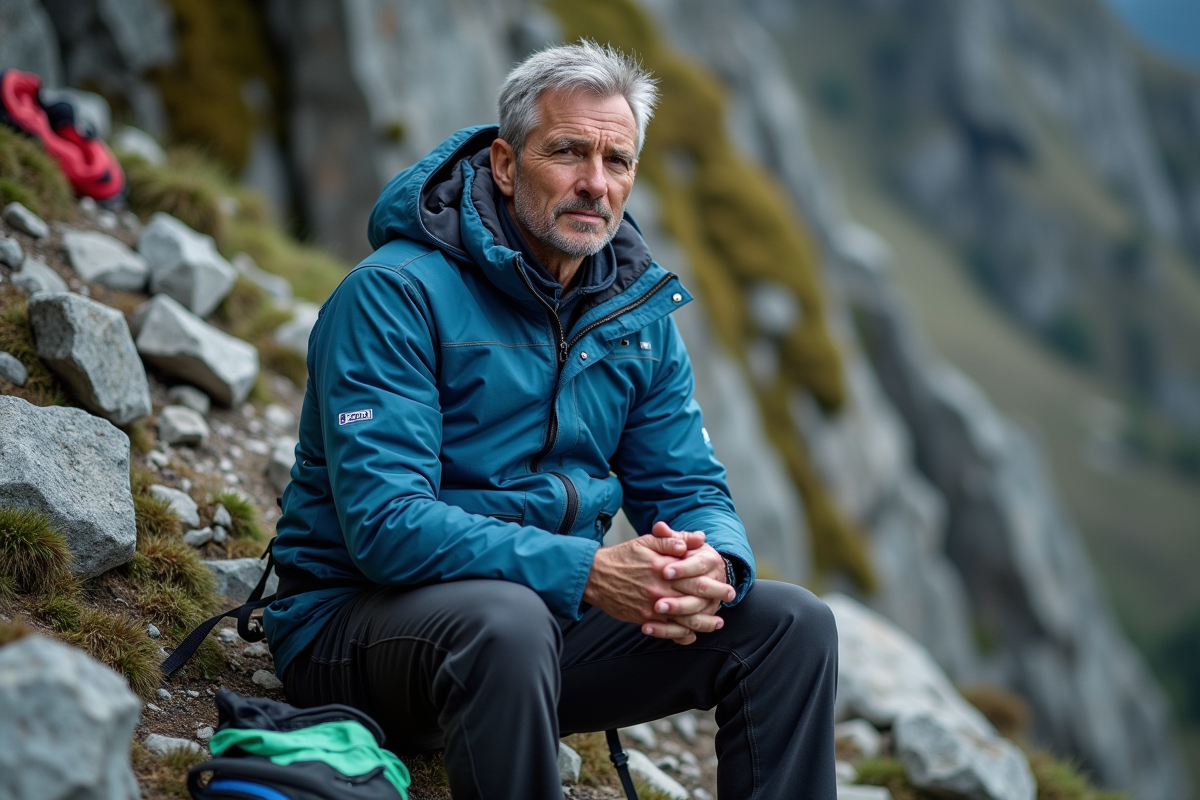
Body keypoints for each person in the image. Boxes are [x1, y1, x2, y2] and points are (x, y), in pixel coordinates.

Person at [264, 41, 838, 800]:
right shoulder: (393, 295)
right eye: (568, 152)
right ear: (505, 164)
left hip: (538, 625)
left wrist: (713, 567)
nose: (595, 185)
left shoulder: (636, 315)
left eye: (618, 162)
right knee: (508, 622)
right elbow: (385, 525)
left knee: (789, 625)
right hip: (356, 629)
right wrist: (587, 572)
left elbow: (690, 487)